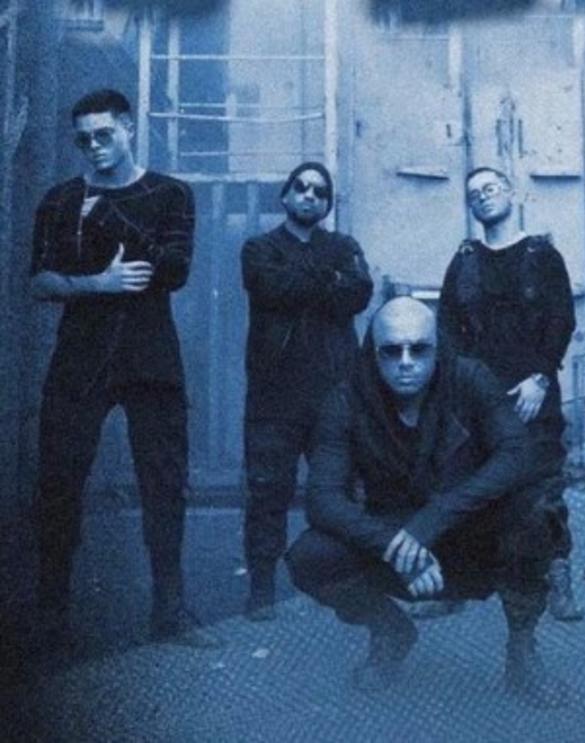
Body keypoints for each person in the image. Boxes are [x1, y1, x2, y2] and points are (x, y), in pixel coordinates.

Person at [285, 298, 570, 708]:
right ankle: (390, 630)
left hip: (469, 537)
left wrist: (432, 521)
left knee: (536, 513)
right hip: (396, 545)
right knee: (310, 556)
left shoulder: (470, 379)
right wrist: (392, 544)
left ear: (437, 348)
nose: (406, 363)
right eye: (391, 351)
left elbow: (517, 454)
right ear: (374, 354)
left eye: (418, 349)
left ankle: (522, 651)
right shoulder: (345, 400)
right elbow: (322, 499)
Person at [30, 88, 218, 648]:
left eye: (104, 134)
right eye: (83, 139)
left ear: (129, 128)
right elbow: (39, 281)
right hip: (81, 354)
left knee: (164, 483)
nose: (94, 146)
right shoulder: (59, 200)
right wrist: (99, 283)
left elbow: (174, 271)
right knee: (59, 483)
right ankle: (51, 617)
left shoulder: (171, 194)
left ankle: (170, 613)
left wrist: (110, 216)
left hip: (149, 353)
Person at [438, 166, 582, 621]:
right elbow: (447, 329)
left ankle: (557, 576)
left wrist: (540, 377)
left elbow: (561, 319)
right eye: (474, 193)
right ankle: (457, 581)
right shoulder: (463, 260)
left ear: (511, 193)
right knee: (467, 485)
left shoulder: (543, 255)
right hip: (477, 398)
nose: (483, 196)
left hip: (532, 395)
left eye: (490, 188)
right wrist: (462, 388)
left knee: (543, 489)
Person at [241, 162, 372, 621]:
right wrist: (328, 279)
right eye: (302, 188)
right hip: (273, 396)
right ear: (285, 196)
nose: (310, 196)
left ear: (328, 203)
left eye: (320, 191)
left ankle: (349, 583)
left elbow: (358, 293)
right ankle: (262, 589)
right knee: (266, 493)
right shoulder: (258, 248)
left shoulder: (344, 246)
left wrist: (306, 281)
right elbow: (270, 287)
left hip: (334, 395)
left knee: (340, 491)